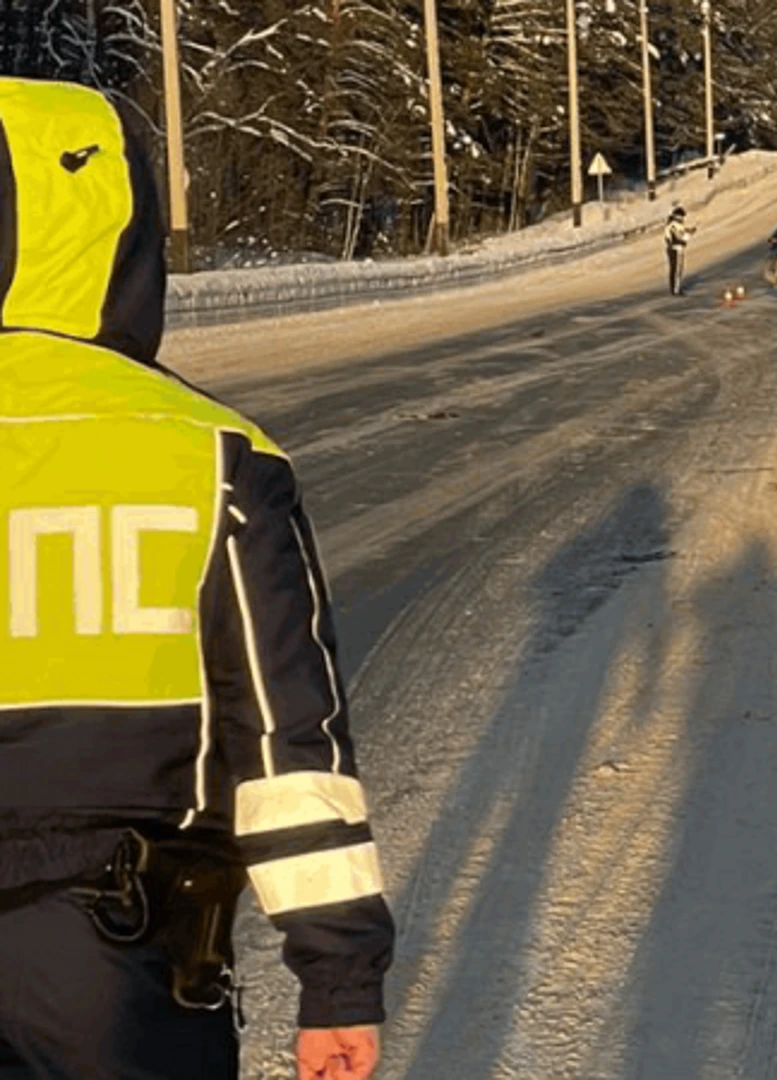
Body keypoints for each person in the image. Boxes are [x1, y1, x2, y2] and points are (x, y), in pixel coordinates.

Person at [0, 78, 393, 1079]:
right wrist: (337, 979)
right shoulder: (214, 455)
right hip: (117, 979)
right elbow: (290, 748)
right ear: (121, 233)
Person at [665, 206, 697, 295]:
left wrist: (689, 231)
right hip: (676, 249)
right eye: (682, 217)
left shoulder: (673, 225)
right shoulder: (673, 226)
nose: (683, 219)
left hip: (674, 249)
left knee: (674, 269)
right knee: (676, 270)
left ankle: (675, 288)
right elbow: (677, 239)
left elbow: (682, 232)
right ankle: (676, 290)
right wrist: (687, 237)